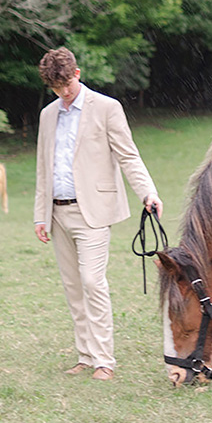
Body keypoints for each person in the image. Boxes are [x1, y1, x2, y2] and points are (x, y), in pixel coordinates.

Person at [34, 47, 163, 381]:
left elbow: (128, 156)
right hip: (57, 213)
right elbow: (42, 168)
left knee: (93, 282)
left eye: (65, 85)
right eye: (55, 88)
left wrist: (148, 192)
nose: (62, 93)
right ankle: (85, 355)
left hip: (93, 211)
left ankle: (105, 360)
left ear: (77, 74)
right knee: (73, 287)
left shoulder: (106, 107)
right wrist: (40, 215)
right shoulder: (48, 114)